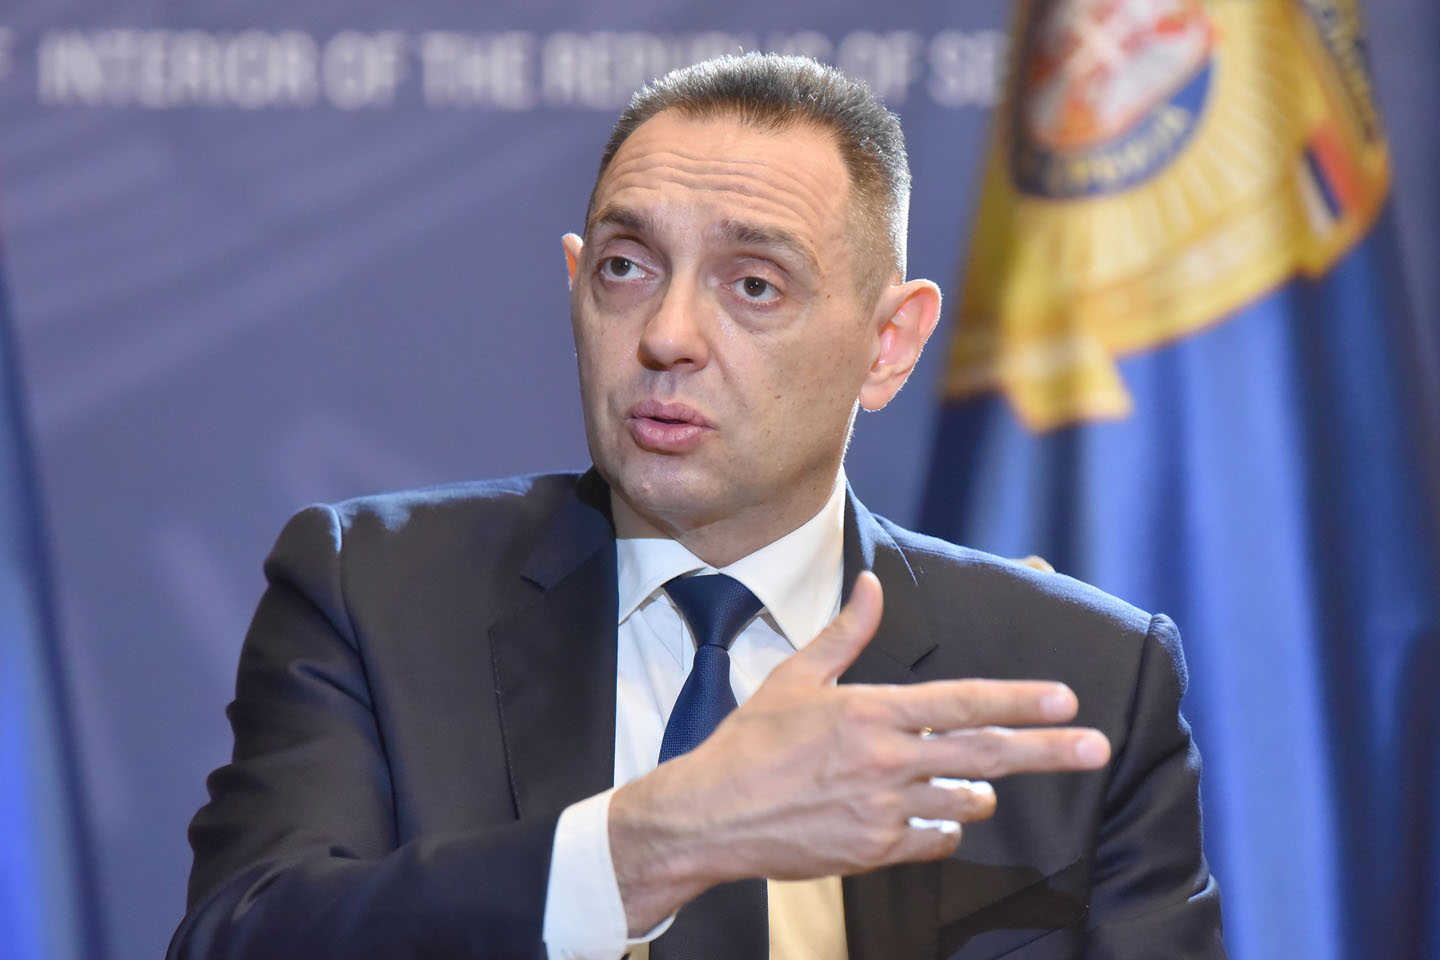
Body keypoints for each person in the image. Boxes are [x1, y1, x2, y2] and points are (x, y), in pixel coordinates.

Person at [169, 53, 1224, 960]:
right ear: (575, 284)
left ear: (889, 343)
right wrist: (649, 846)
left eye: (753, 284)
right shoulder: (375, 595)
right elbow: (243, 937)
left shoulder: (1080, 681)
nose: (667, 335)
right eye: (626, 268)